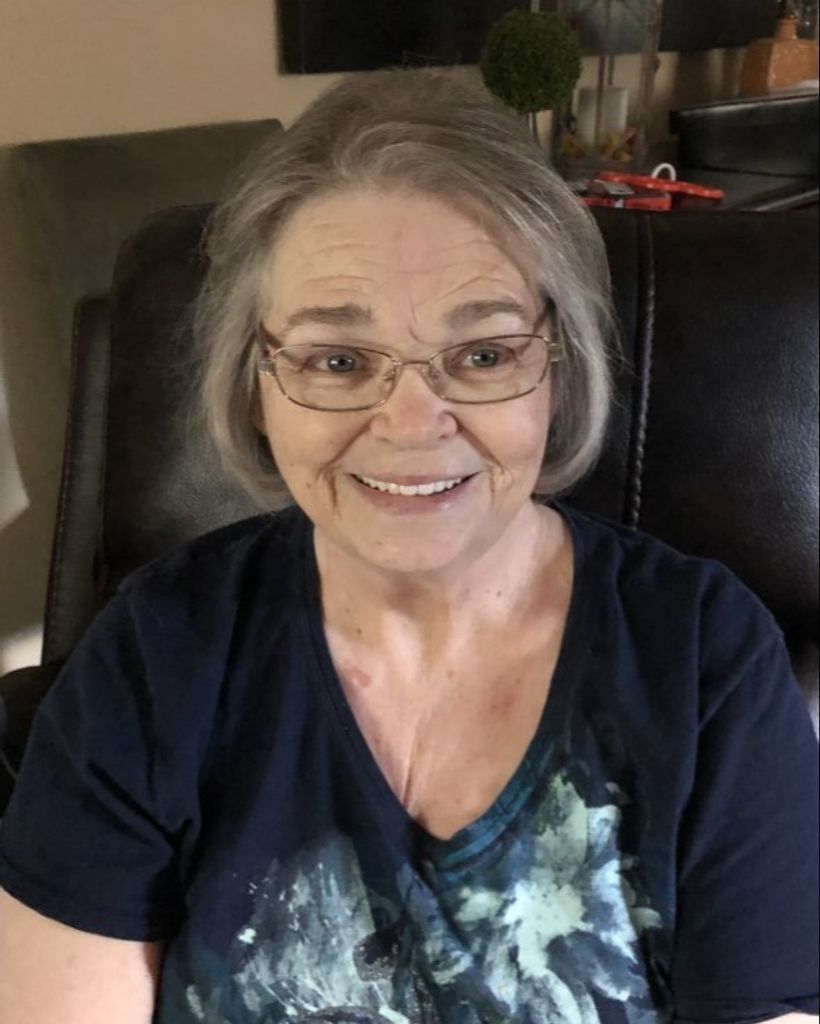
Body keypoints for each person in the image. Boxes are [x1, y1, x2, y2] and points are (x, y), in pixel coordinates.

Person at [0, 70, 817, 1024]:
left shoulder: (705, 657)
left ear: (560, 370)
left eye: (482, 355)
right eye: (338, 360)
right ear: (255, 386)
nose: (411, 423)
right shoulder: (153, 657)